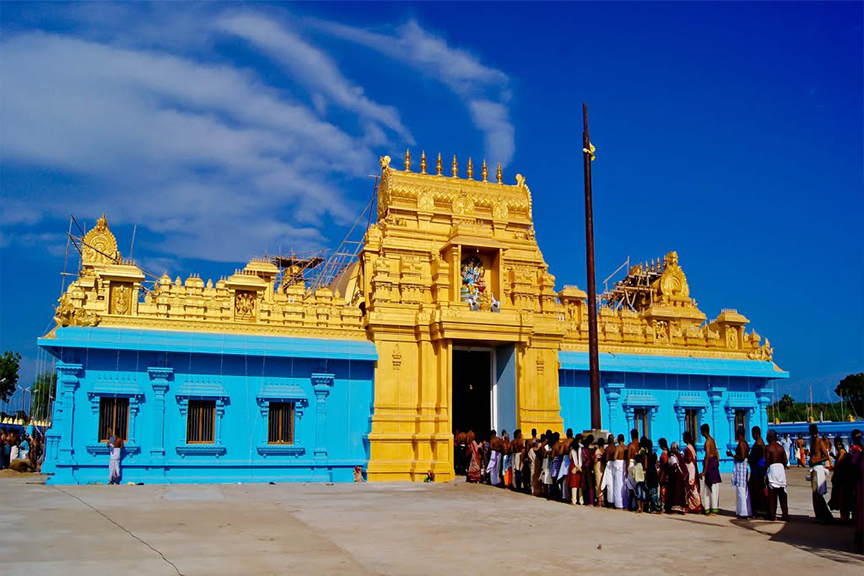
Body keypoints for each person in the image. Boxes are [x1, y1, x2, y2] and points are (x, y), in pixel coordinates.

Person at [808, 423, 833, 523]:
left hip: (818, 468)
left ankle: (825, 515)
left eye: (814, 433)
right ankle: (819, 515)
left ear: (817, 432)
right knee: (815, 495)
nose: (813, 435)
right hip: (813, 469)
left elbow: (827, 456)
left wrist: (816, 460)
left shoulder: (820, 442)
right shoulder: (813, 442)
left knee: (818, 493)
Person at [765, 429, 789, 521]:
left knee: (772, 494)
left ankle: (772, 515)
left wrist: (765, 474)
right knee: (782, 493)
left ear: (770, 438)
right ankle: (785, 514)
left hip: (773, 469)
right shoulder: (781, 448)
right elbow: (786, 461)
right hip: (781, 470)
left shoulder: (768, 448)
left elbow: (767, 462)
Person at [728, 426, 751, 519]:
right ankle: (743, 510)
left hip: (741, 467)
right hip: (743, 467)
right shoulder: (746, 443)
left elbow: (742, 457)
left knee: (741, 490)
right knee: (743, 490)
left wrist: (732, 455)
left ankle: (743, 512)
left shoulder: (741, 444)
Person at [828, 436, 853, 522]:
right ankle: (844, 517)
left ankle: (844, 518)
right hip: (840, 479)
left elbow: (839, 464)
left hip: (842, 480)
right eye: (836, 444)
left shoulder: (842, 452)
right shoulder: (840, 453)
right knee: (841, 498)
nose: (838, 446)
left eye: (839, 444)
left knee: (842, 498)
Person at [700, 424, 721, 515]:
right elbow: (716, 452)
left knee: (709, 486)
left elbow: (708, 456)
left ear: (704, 431)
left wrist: (704, 471)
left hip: (710, 464)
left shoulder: (708, 442)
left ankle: (710, 508)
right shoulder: (713, 440)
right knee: (714, 486)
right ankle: (714, 507)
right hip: (714, 464)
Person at [748, 426, 769, 519]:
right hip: (759, 470)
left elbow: (755, 458)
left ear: (755, 433)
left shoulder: (758, 444)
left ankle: (760, 510)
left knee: (757, 490)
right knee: (759, 489)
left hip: (757, 471)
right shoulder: (761, 443)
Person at [668, 442, 686, 514]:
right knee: (681, 492)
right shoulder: (680, 455)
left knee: (676, 492)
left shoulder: (673, 456)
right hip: (682, 476)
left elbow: (675, 465)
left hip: (676, 476)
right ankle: (682, 508)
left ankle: (675, 509)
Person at [569, 434, 584, 505]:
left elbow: (570, 457)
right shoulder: (582, 447)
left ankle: (574, 500)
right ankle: (581, 500)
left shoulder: (572, 447)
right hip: (580, 466)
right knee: (580, 483)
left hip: (573, 466)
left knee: (574, 484)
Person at [658, 438, 670, 512]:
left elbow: (664, 464)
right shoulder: (668, 452)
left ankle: (663, 505)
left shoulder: (664, 454)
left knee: (663, 490)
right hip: (666, 473)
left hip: (664, 472)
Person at [593, 437, 605, 507]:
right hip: (603, 467)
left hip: (598, 467)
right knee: (602, 483)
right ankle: (603, 500)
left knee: (598, 484)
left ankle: (599, 501)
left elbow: (595, 460)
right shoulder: (604, 451)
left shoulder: (597, 451)